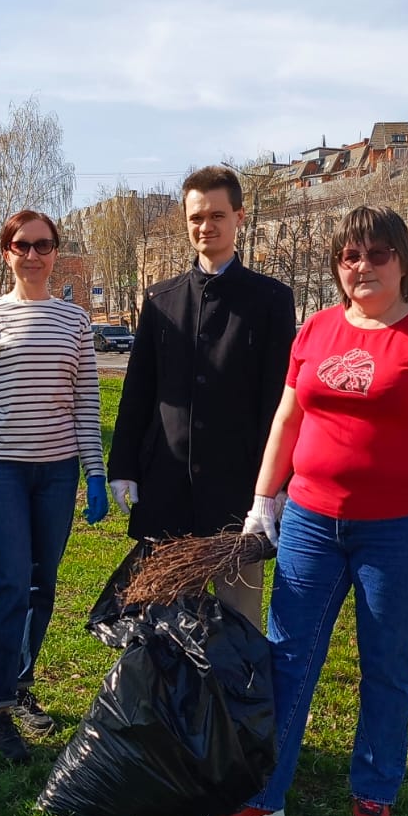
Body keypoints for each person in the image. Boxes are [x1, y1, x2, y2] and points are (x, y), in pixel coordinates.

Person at [204, 205, 408, 816]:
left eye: (377, 254)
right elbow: (289, 419)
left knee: (386, 663)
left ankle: (374, 787)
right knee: (287, 655)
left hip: (399, 530)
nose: (362, 266)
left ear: (403, 261)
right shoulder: (316, 330)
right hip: (311, 522)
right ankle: (264, 794)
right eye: (349, 256)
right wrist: (264, 500)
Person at [106, 165, 296, 629]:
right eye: (196, 217)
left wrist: (279, 483)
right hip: (167, 485)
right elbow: (139, 389)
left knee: (239, 623)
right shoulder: (161, 299)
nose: (205, 226)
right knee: (164, 625)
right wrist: (124, 466)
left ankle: (237, 682)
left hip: (239, 490)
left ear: (239, 217)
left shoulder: (271, 300)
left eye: (216, 215)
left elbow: (281, 400)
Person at [0, 209, 108, 763]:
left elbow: (85, 403)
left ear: (55, 252)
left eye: (44, 245)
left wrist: (94, 472)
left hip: (58, 473)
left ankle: (20, 685)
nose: (34, 255)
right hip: (3, 473)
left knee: (44, 585)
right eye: (23, 245)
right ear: (7, 253)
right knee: (10, 584)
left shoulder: (75, 321)